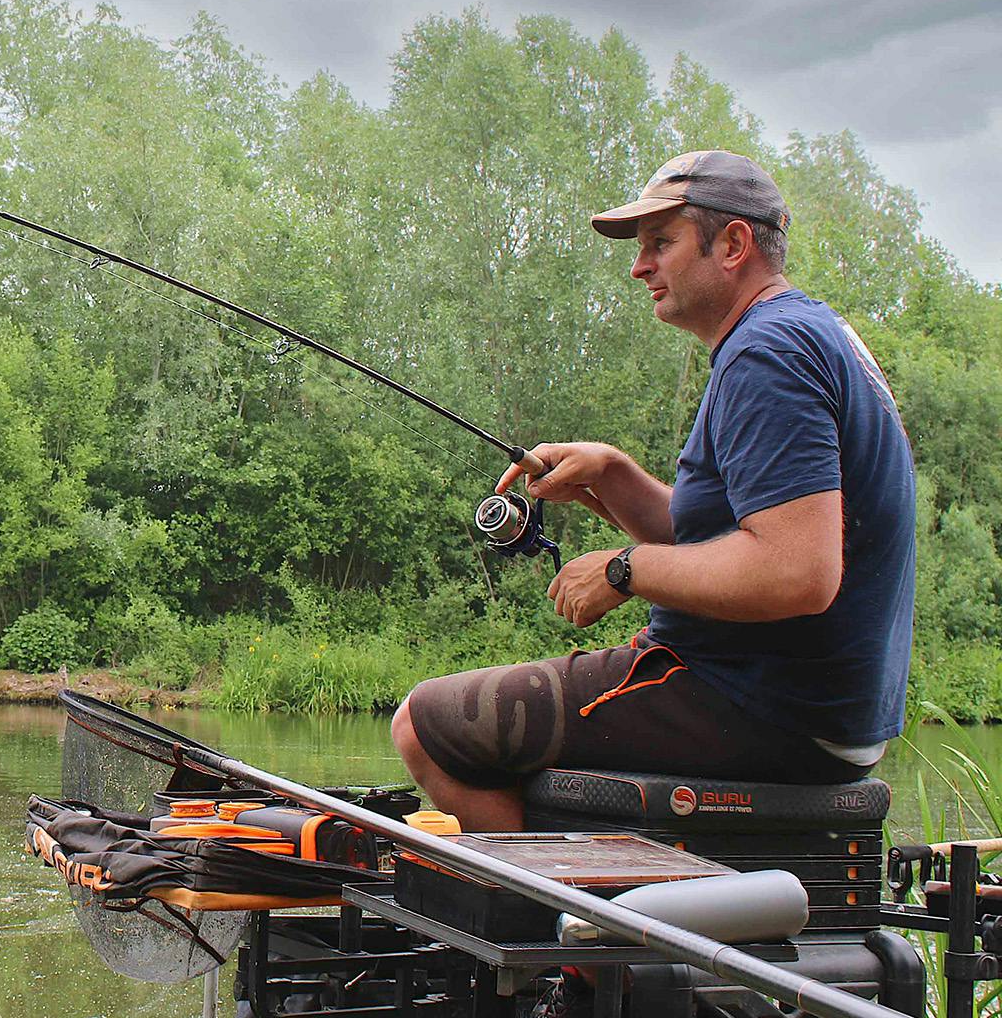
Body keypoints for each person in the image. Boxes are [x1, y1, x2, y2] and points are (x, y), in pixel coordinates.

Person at [391, 150, 916, 832]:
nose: (640, 267)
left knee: (427, 728)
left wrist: (623, 569)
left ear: (733, 244)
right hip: (815, 708)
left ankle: (557, 927)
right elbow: (731, 541)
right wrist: (614, 477)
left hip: (756, 701)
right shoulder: (808, 332)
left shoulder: (768, 354)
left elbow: (795, 572)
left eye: (660, 244)